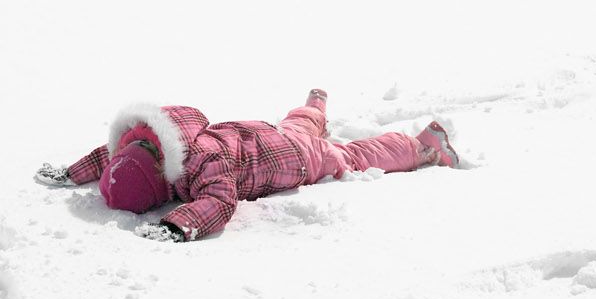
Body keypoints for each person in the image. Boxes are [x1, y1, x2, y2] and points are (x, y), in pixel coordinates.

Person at [34, 89, 459, 241]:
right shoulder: (164, 137)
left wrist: (178, 224)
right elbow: (116, 154)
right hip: (268, 133)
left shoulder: (203, 166)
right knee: (297, 126)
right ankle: (315, 107)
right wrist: (75, 173)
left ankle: (423, 148)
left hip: (296, 161)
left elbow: (220, 201)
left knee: (355, 156)